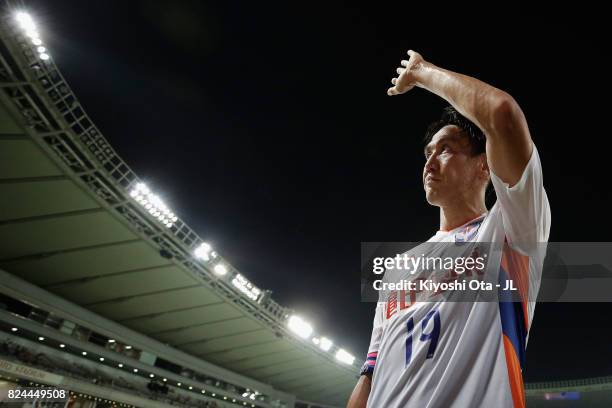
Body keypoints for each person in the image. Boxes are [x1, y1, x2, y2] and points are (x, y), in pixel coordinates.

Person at [347, 51, 551, 408]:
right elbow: (370, 373)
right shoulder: (399, 267)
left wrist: (421, 73)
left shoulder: (510, 232)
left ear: (483, 167)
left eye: (446, 150)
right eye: (428, 151)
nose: (429, 161)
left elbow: (502, 114)